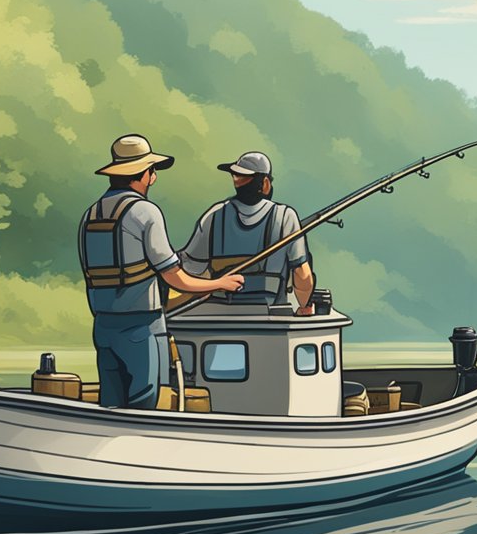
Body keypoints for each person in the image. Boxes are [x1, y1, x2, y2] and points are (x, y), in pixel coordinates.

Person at [80, 134, 244, 409]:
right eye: (151, 170)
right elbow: (174, 277)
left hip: (103, 325)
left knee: (111, 403)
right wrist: (219, 284)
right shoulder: (145, 212)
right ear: (144, 174)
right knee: (144, 401)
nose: (153, 175)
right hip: (141, 326)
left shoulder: (91, 214)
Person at [179, 151, 316, 314]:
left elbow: (191, 269)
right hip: (270, 317)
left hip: (219, 315)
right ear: (265, 183)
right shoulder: (285, 216)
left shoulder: (213, 216)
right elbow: (302, 275)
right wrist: (305, 306)